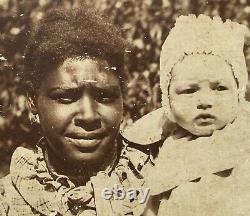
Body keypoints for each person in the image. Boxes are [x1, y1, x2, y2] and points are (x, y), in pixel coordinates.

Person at [0, 6, 151, 216]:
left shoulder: (160, 184)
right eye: (66, 97)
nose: (88, 115)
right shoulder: (8, 201)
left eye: (105, 96)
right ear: (33, 103)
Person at [140, 14, 250, 215]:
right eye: (189, 91)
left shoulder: (244, 135)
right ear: (168, 99)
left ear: (238, 92)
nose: (205, 102)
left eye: (220, 88)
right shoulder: (169, 146)